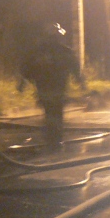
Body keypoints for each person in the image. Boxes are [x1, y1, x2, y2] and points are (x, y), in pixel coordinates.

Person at [18, 22, 85, 151]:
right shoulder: (61, 51)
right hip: (52, 90)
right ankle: (54, 139)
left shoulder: (40, 52)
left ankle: (53, 139)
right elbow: (27, 68)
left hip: (49, 89)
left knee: (52, 114)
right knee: (54, 114)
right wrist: (81, 83)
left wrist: (22, 84)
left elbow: (27, 69)